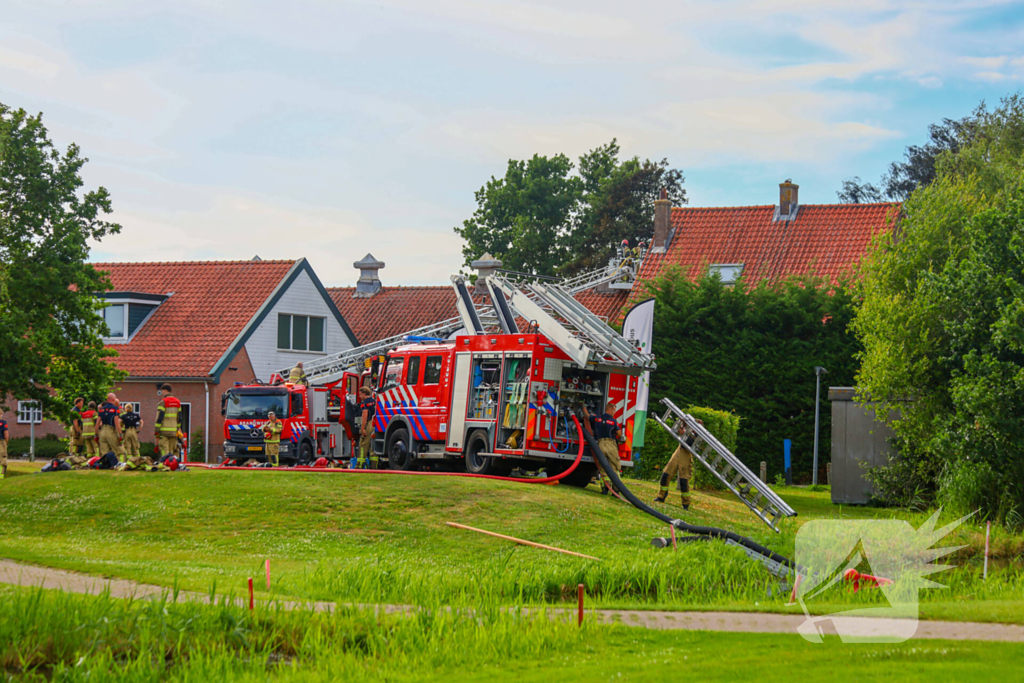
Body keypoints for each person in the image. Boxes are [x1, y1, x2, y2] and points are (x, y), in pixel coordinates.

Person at [654, 419, 701, 510]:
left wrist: (683, 433)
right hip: (678, 452)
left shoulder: (697, 436)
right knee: (666, 475)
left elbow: (688, 444)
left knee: (683, 481)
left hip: (686, 456)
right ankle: (661, 496)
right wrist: (682, 430)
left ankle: (686, 503)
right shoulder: (688, 432)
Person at [583, 401, 622, 495]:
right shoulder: (613, 421)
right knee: (614, 467)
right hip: (611, 444)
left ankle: (605, 489)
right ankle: (616, 490)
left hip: (600, 444)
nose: (614, 412)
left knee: (603, 468)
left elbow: (587, 416)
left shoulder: (597, 419)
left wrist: (583, 406)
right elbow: (619, 434)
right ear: (610, 410)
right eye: (614, 410)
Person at [154, 385, 181, 457]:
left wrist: (156, 430)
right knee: (172, 449)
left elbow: (159, 418)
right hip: (173, 431)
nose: (162, 393)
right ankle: (173, 464)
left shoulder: (163, 402)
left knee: (164, 448)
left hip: (164, 431)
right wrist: (177, 429)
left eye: (162, 391)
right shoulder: (177, 402)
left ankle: (165, 464)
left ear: (165, 390)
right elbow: (179, 418)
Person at [97, 393, 122, 460]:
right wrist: (120, 434)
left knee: (104, 451)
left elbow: (97, 423)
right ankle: (116, 465)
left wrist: (96, 434)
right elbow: (117, 423)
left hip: (102, 431)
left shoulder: (101, 409)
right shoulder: (115, 409)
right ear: (114, 399)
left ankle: (105, 465)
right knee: (116, 450)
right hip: (111, 431)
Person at [356, 386, 377, 469]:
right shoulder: (374, 401)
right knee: (372, 447)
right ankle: (374, 467)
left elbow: (365, 415)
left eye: (360, 394)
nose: (359, 396)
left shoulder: (365, 403)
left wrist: (363, 428)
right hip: (375, 423)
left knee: (363, 444)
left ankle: (359, 466)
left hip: (369, 424)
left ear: (364, 394)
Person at [0, 408, 8, 480]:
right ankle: (1, 475)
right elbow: (6, 434)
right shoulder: (3, 423)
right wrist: (6, 442)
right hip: (1, 441)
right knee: (3, 458)